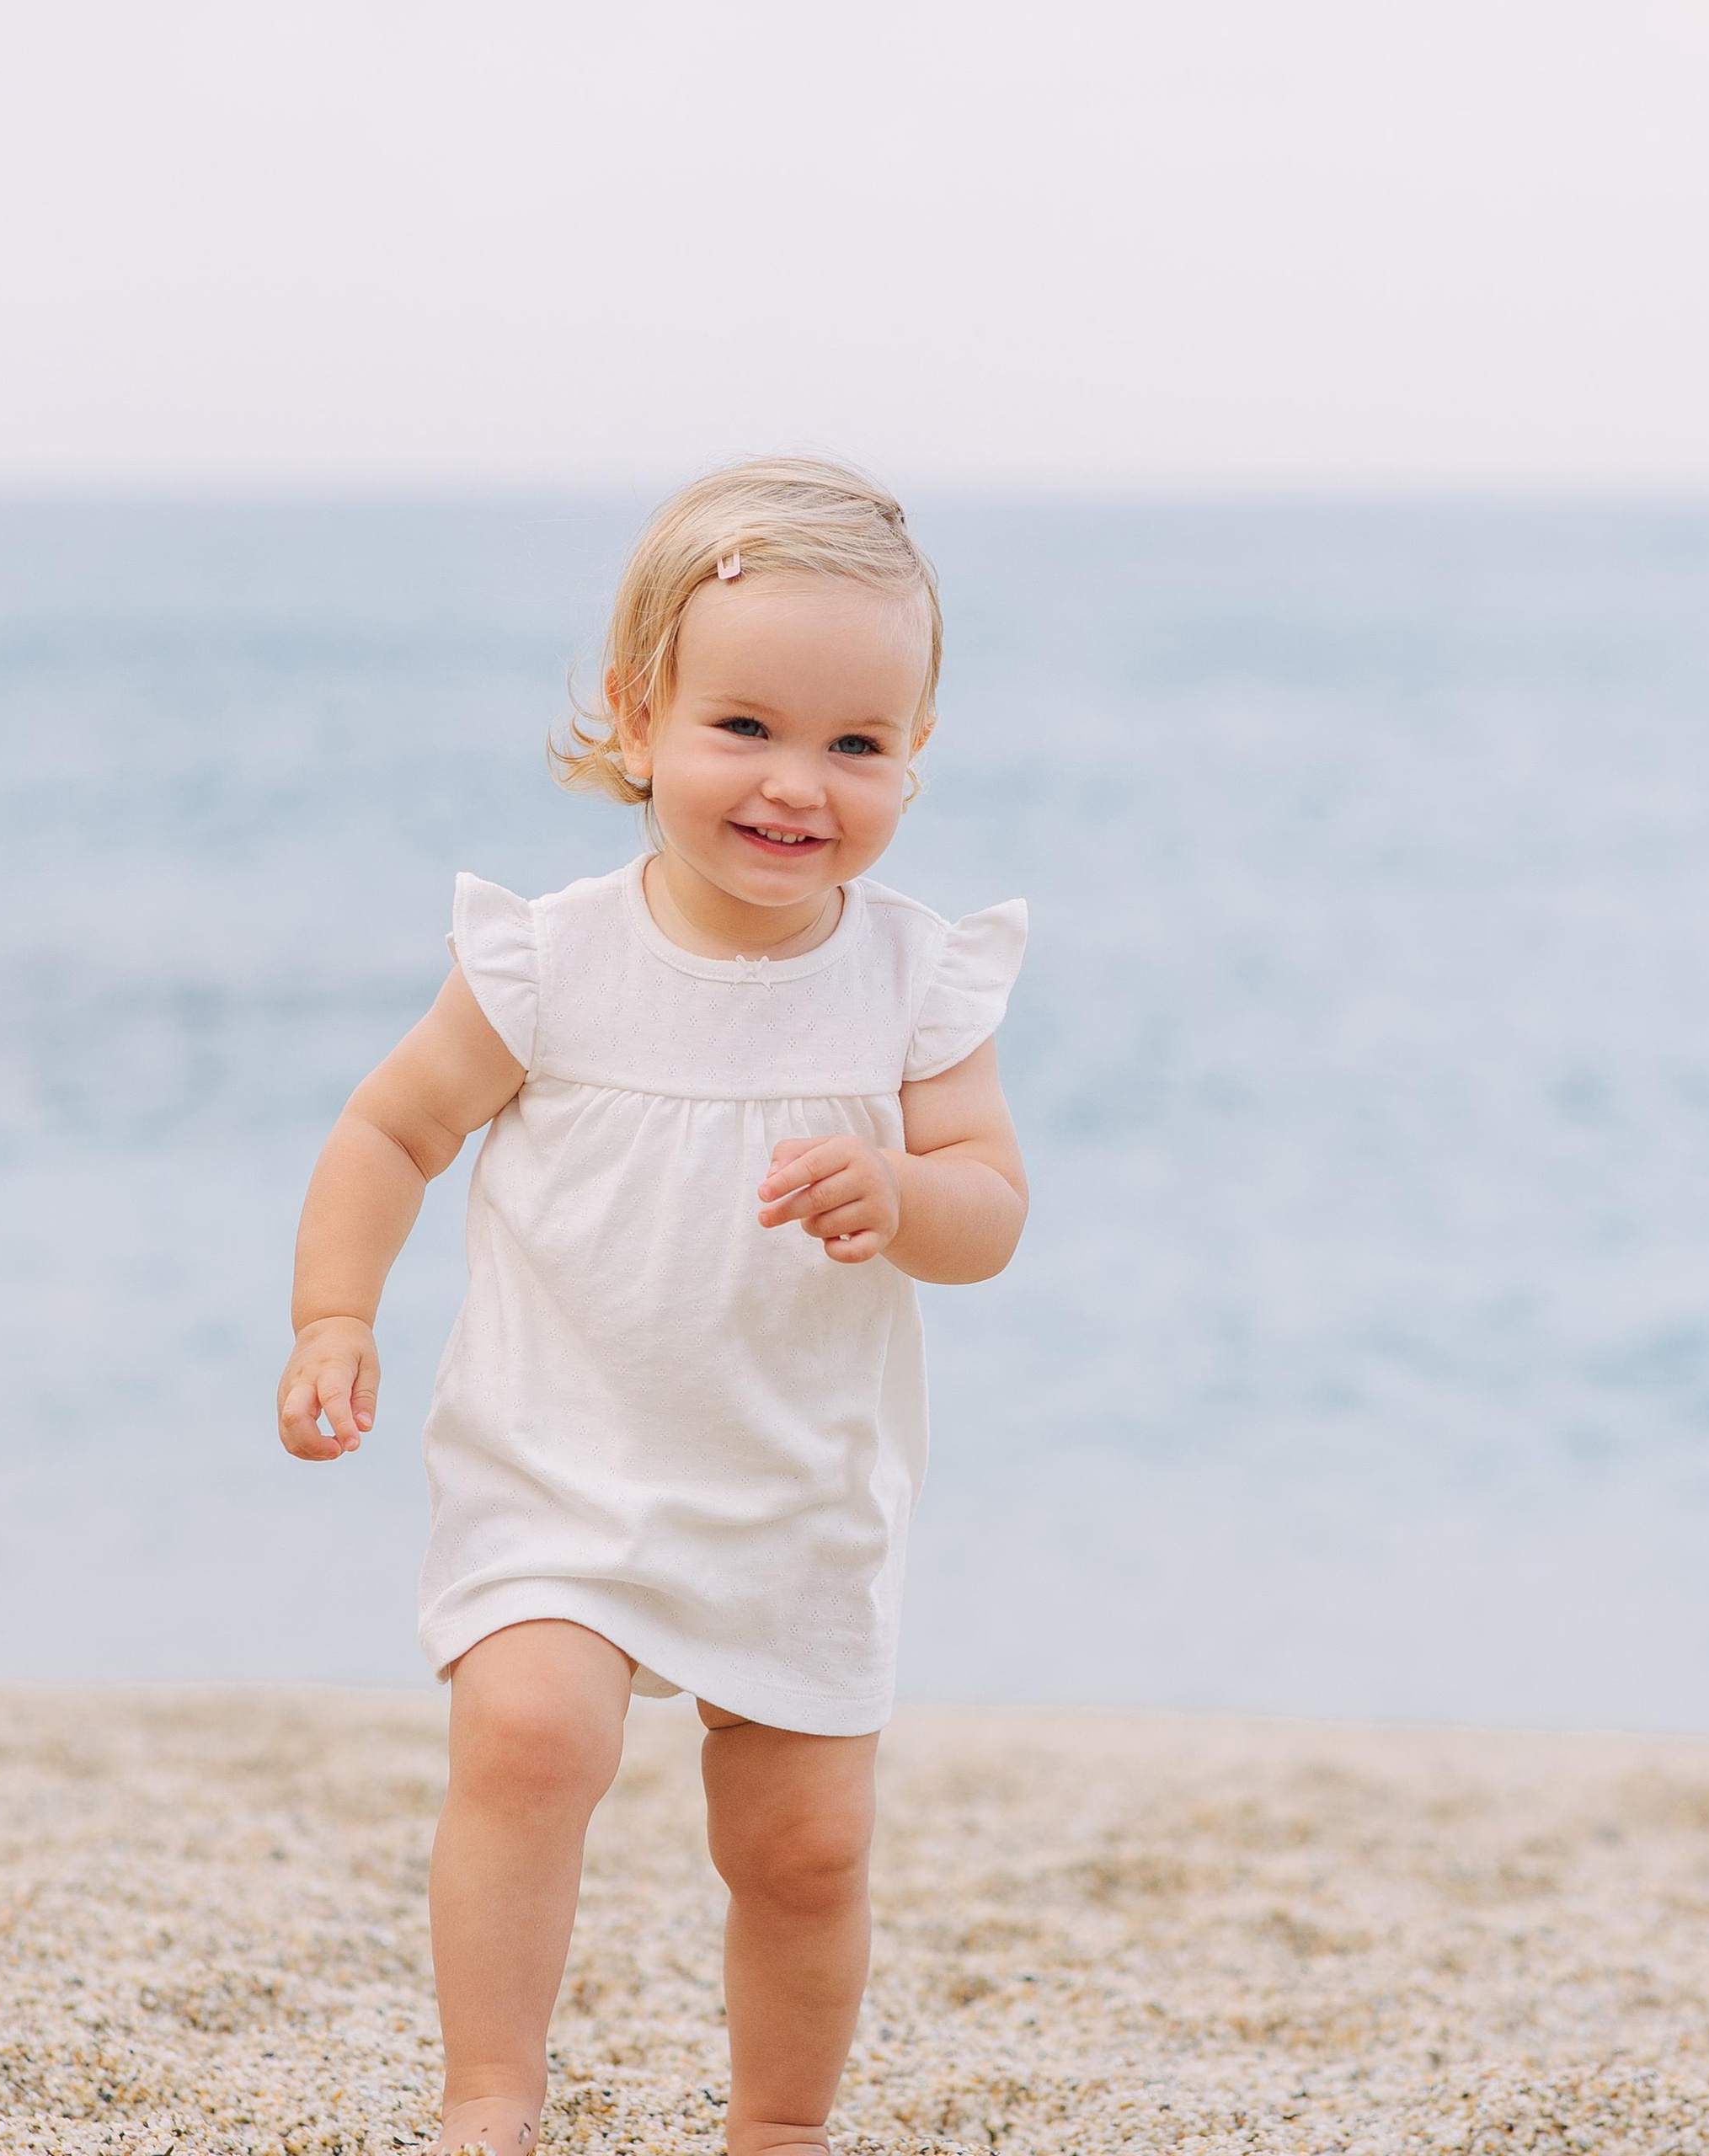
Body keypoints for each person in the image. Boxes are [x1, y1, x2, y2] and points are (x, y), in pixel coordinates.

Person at [275, 453, 1029, 2156]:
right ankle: (491, 2095)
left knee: (803, 1845)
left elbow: (989, 1209)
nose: (797, 784)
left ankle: (778, 2123)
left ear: (916, 750)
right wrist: (335, 1314)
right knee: (528, 1734)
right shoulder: (549, 963)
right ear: (633, 718)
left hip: (793, 1489)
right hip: (562, 1461)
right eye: (743, 726)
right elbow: (391, 1130)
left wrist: (908, 1195)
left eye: (857, 744)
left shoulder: (914, 981)